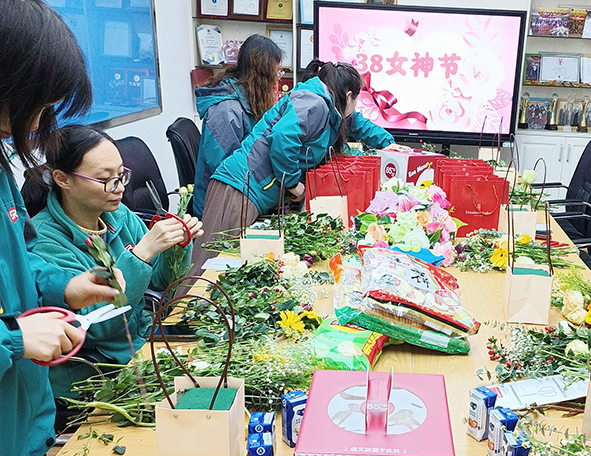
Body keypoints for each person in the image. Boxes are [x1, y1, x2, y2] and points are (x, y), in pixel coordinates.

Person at [0, 0, 126, 456]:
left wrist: (63, 287)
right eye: (37, 102)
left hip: (22, 430)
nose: (37, 121)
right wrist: (13, 339)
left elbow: (18, 263)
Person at [27, 125, 203, 400]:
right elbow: (98, 328)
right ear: (62, 179)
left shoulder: (118, 215)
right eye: (105, 179)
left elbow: (160, 282)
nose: (120, 188)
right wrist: (140, 254)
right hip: (97, 378)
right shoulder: (44, 241)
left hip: (140, 347)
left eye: (121, 175)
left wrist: (176, 245)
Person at [191, 59, 406, 272]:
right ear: (349, 95)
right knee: (211, 268)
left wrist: (387, 143)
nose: (355, 108)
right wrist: (294, 183)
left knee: (234, 266)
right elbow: (283, 137)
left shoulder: (330, 104)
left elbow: (356, 122)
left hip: (251, 190)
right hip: (239, 188)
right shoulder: (315, 103)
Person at [193, 34, 284, 217]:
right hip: (219, 207)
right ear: (263, 74)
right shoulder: (226, 111)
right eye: (277, 72)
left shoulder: (249, 100)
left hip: (239, 198)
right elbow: (227, 173)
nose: (278, 79)